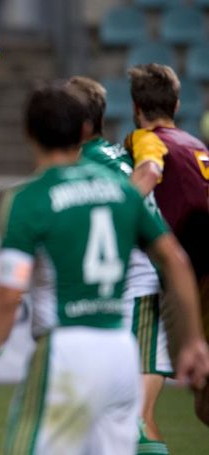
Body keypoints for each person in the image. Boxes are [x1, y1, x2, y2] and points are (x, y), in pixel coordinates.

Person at [0, 83, 209, 454]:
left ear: (28, 133)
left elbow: (9, 296)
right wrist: (192, 340)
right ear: (82, 131)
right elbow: (175, 260)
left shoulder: (30, 198)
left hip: (66, 350)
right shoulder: (120, 190)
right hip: (121, 352)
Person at [66, 75, 172, 454]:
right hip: (135, 291)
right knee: (121, 419)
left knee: (134, 420)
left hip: (139, 293)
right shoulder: (115, 155)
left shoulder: (93, 167)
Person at [125, 64, 209, 427]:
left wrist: (110, 211)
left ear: (134, 108)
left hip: (195, 278)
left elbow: (149, 169)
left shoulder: (145, 137)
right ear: (176, 105)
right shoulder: (197, 146)